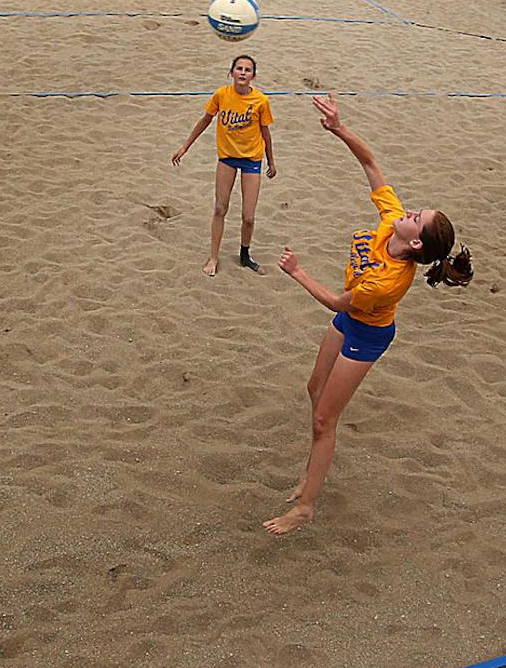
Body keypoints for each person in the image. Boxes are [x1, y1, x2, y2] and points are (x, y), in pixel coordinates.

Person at [265, 95, 471, 535]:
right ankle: (311, 471)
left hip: (368, 334)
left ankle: (306, 505)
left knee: (325, 419)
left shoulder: (390, 280)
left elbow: (341, 303)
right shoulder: (391, 221)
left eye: (417, 217)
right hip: (350, 320)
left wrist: (298, 273)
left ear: (416, 243)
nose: (409, 211)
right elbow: (372, 164)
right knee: (313, 388)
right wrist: (339, 128)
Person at [172, 54, 276, 276]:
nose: (242, 72)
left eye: (248, 70)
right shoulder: (221, 95)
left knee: (248, 217)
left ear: (253, 76)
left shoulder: (261, 101)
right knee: (220, 208)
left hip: (252, 160)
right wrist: (185, 147)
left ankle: (245, 255)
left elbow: (266, 134)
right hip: (227, 157)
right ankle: (213, 257)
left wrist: (271, 161)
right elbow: (205, 121)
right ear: (231, 73)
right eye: (239, 68)